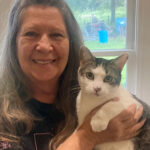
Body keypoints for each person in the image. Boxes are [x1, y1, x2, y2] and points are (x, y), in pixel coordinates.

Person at [0, 0, 145, 150]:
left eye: (56, 35)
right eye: (31, 33)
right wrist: (87, 137)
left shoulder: (99, 95)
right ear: (14, 43)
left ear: (71, 44)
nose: (44, 46)